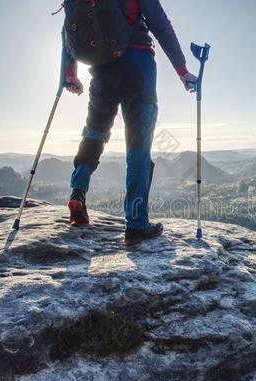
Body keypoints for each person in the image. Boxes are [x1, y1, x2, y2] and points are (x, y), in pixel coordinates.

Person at [63, 0, 197, 245]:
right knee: (138, 143)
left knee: (94, 132)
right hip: (138, 65)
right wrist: (182, 71)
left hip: (101, 71)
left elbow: (68, 33)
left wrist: (69, 74)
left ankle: (77, 195)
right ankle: (136, 224)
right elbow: (160, 23)